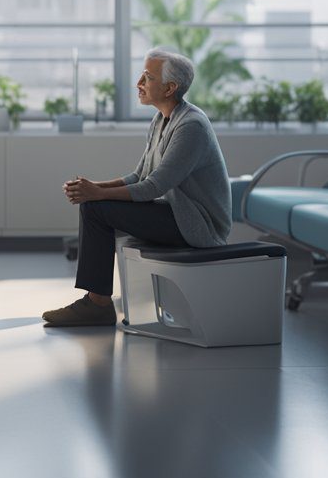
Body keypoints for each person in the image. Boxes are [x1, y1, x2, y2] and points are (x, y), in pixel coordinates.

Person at [43, 48, 232, 327]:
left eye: (147, 77)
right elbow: (139, 175)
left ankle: (97, 305)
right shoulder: (162, 119)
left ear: (170, 88)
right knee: (93, 205)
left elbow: (153, 187)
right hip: (176, 214)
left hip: (198, 226)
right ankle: (96, 302)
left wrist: (98, 194)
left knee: (96, 208)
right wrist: (94, 187)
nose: (138, 84)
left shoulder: (190, 127)